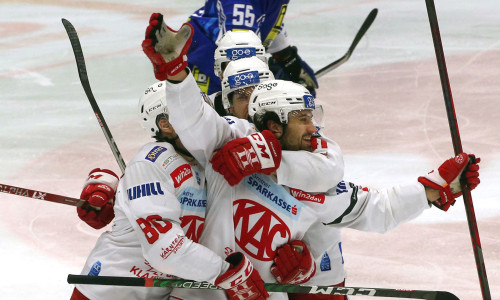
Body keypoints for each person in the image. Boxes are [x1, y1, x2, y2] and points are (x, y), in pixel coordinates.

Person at [141, 15, 480, 300]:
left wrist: (431, 191)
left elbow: (368, 204)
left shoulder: (312, 160)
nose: (312, 129)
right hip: (203, 288)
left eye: (309, 118)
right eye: (240, 95)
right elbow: (190, 124)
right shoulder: (227, 134)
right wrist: (176, 73)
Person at [71, 81, 269, 300]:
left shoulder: (208, 158)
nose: (206, 119)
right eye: (194, 113)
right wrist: (228, 275)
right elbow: (166, 251)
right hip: (107, 293)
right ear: (166, 125)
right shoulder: (153, 163)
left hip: (160, 293)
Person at [149, 1, 318, 96]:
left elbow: (266, 19)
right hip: (209, 68)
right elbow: (239, 55)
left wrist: (288, 59)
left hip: (221, 61)